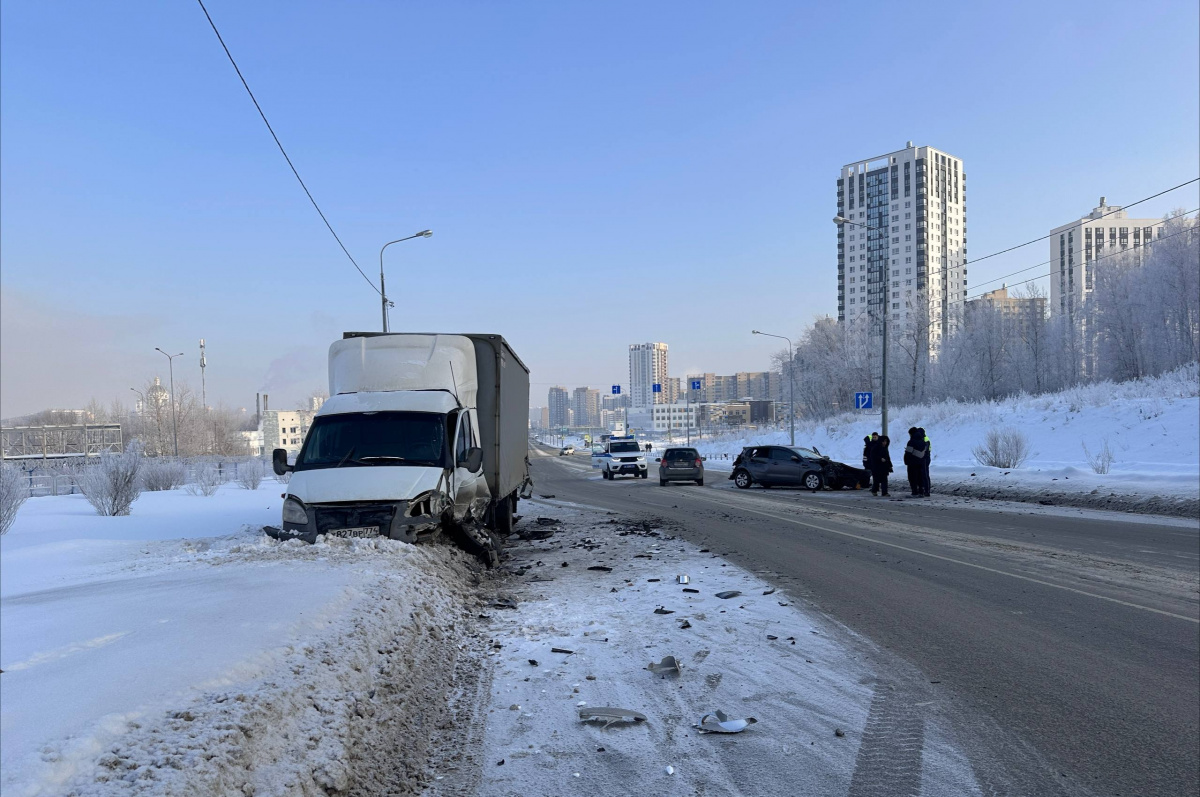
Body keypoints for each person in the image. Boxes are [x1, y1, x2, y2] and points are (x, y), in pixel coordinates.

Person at [903, 427, 929, 496]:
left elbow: (908, 452)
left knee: (912, 477)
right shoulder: (923, 442)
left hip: (912, 463)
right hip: (921, 462)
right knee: (920, 477)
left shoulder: (911, 442)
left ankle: (914, 492)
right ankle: (921, 491)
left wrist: (906, 461)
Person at [917, 427, 932, 496]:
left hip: (925, 458)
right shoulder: (924, 438)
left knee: (925, 474)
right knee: (924, 474)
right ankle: (925, 489)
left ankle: (926, 490)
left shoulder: (925, 439)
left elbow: (924, 449)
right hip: (925, 457)